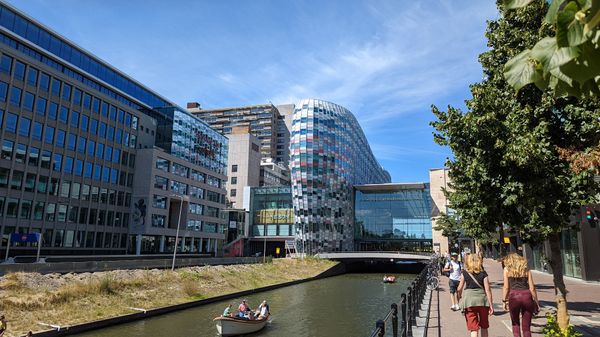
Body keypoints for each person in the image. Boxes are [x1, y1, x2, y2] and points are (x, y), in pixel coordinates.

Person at [502, 253, 539, 337]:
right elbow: (532, 287)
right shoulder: (526, 269)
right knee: (526, 327)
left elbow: (506, 287)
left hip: (514, 296)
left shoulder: (507, 269)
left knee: (515, 324)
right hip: (527, 296)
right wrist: (536, 302)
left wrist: (504, 301)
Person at [457, 254, 494, 337]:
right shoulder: (483, 273)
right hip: (482, 301)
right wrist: (491, 305)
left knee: (474, 328)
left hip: (469, 301)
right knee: (484, 326)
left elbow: (459, 288)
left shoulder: (464, 273)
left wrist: (459, 298)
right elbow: (487, 290)